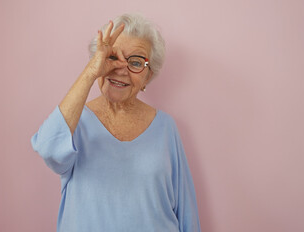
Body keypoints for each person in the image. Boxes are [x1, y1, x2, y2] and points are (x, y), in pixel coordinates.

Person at [31, 13, 201, 232]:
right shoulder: (74, 121)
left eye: (136, 62)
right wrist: (91, 72)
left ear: (147, 77)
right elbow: (47, 148)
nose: (121, 69)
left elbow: (186, 209)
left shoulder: (166, 128)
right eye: (112, 57)